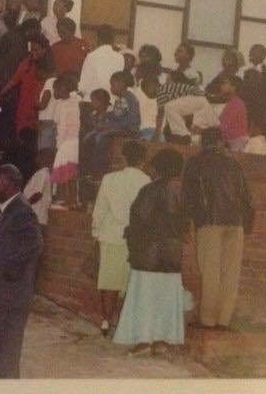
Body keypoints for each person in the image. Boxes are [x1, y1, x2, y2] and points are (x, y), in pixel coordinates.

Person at [113, 148, 189, 355]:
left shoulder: (150, 190)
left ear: (160, 168)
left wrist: (132, 240)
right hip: (172, 253)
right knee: (166, 296)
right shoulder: (183, 191)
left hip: (149, 252)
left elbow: (140, 219)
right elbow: (185, 224)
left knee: (145, 297)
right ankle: (162, 340)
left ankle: (144, 340)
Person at [0, 164, 43, 378]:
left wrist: (8, 273)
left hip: (9, 300)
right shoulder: (6, 209)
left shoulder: (21, 211)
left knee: (5, 360)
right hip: (1, 298)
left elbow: (35, 244)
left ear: (8, 184)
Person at [182, 128, 254, 330]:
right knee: (230, 272)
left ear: (202, 142)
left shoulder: (195, 163)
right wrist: (246, 225)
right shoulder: (234, 164)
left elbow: (188, 196)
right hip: (236, 222)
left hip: (209, 221)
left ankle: (207, 319)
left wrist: (186, 222)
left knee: (210, 270)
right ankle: (224, 319)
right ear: (221, 142)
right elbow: (247, 197)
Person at [91, 140, 150, 336]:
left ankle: (106, 321)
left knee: (109, 281)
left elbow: (99, 210)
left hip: (110, 236)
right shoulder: (146, 181)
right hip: (136, 240)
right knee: (130, 282)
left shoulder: (109, 179)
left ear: (125, 157)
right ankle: (125, 324)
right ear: (143, 160)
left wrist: (96, 234)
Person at [0, 35, 51, 134]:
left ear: (44, 50)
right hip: (24, 108)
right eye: (32, 50)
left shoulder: (50, 69)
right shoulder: (26, 63)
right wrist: (0, 94)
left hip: (40, 111)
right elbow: (13, 81)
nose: (33, 53)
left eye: (36, 50)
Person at [49, 74, 82, 207]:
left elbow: (65, 127)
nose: (54, 93)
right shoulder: (60, 104)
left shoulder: (74, 102)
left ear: (63, 88)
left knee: (70, 172)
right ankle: (67, 198)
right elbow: (57, 124)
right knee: (64, 172)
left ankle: (72, 200)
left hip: (70, 142)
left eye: (56, 89)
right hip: (63, 142)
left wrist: (60, 144)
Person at [78, 24, 125, 100]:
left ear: (98, 38)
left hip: (93, 100)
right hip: (112, 100)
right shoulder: (120, 57)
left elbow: (83, 85)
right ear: (113, 39)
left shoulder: (91, 56)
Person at [243, 44, 266, 130]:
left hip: (264, 116)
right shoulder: (247, 73)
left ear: (263, 55)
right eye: (250, 51)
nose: (250, 54)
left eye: (253, 51)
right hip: (249, 114)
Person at [218, 75, 249, 153]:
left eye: (225, 83)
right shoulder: (232, 102)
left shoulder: (237, 103)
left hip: (237, 143)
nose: (221, 86)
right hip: (232, 142)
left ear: (234, 87)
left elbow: (225, 126)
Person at [24, 149, 53, 229]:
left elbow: (38, 194)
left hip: (37, 217)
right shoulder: (42, 173)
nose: (36, 159)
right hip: (37, 218)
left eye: (39, 156)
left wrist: (24, 205)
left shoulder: (42, 173)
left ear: (45, 158)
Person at [132, 73, 159, 140]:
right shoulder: (139, 97)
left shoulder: (161, 99)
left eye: (155, 86)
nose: (153, 88)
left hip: (155, 132)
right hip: (142, 131)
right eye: (149, 86)